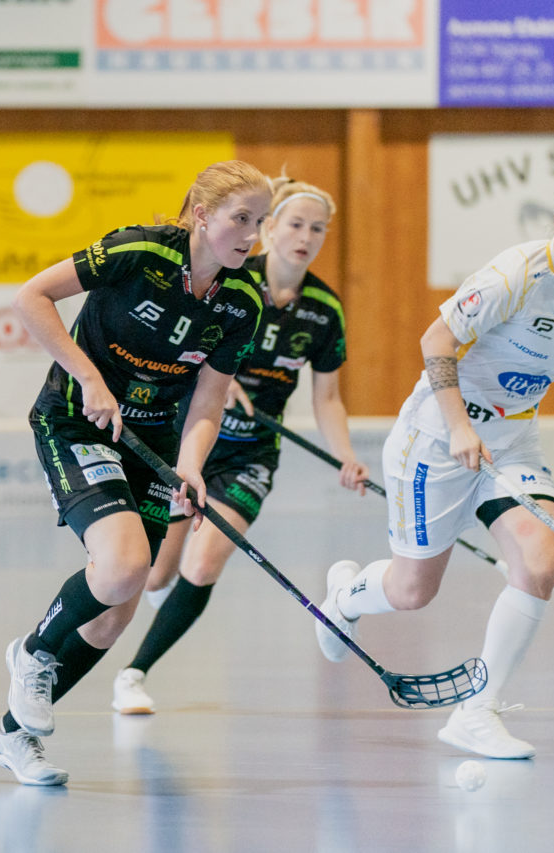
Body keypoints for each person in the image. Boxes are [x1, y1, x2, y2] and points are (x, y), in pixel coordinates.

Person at [313, 159, 554, 760]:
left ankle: (477, 711)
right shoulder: (514, 274)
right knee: (412, 590)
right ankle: (345, 598)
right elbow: (436, 343)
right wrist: (457, 427)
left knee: (541, 558)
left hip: (513, 441)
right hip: (438, 436)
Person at [0, 160, 273, 785]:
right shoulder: (137, 250)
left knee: (115, 612)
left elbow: (209, 399)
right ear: (201, 215)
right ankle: (31, 652)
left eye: (259, 222)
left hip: (153, 442)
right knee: (122, 568)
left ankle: (12, 735)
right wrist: (88, 377)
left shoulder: (243, 302)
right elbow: (31, 296)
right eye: (240, 219)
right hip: (77, 422)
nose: (252, 235)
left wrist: (191, 468)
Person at [109, 176, 370, 715]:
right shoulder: (230, 281)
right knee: (156, 573)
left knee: (203, 566)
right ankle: (159, 600)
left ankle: (134, 675)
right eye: (295, 224)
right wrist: (220, 385)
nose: (306, 236)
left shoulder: (324, 310)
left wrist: (345, 453)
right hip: (189, 445)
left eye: (318, 229)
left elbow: (328, 399)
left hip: (251, 457)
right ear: (269, 229)